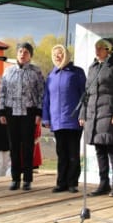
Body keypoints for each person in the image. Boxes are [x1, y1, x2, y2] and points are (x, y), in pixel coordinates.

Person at [79, 38, 113, 197]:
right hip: (93, 114)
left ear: (109, 50)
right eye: (96, 47)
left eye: (101, 48)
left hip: (109, 112)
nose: (97, 50)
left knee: (112, 148)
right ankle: (103, 182)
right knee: (99, 148)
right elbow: (86, 93)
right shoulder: (93, 67)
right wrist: (82, 113)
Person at [0, 42, 44, 191]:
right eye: (20, 52)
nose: (22, 54)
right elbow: (2, 92)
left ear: (30, 55)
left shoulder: (36, 71)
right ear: (16, 54)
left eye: (26, 52)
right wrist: (1, 111)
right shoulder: (8, 71)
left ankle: (28, 179)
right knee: (14, 146)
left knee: (28, 146)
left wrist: (39, 112)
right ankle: (15, 178)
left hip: (28, 113)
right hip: (12, 112)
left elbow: (41, 93)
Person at [42, 44, 86, 193]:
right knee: (61, 153)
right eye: (54, 54)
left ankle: (73, 183)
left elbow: (84, 96)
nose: (57, 56)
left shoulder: (76, 72)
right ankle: (61, 183)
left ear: (66, 55)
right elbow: (46, 98)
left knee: (73, 153)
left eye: (60, 53)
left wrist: (82, 114)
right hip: (57, 121)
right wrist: (46, 118)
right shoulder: (51, 75)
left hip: (73, 120)